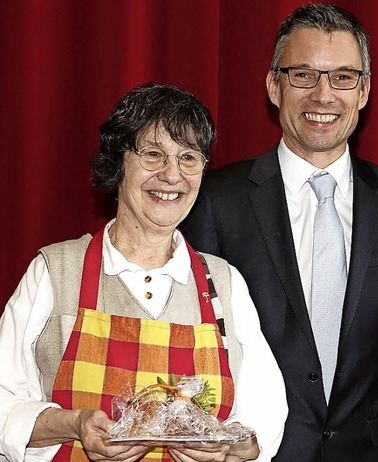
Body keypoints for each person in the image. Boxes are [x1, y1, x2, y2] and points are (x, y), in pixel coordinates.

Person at [181, 4, 378, 461]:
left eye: (343, 77)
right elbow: (194, 353)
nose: (323, 95)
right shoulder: (214, 200)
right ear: (273, 85)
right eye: (303, 75)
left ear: (364, 91)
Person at [0, 83, 287, 462]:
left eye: (188, 157)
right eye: (153, 154)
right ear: (117, 162)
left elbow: (263, 423)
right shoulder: (55, 272)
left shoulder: (224, 283)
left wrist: (227, 448)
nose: (172, 176)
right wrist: (74, 424)